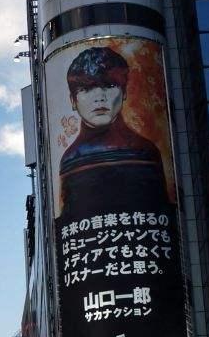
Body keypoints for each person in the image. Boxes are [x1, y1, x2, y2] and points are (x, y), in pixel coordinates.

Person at [57, 46, 171, 213]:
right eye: (87, 89)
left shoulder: (146, 151)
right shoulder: (146, 150)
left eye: (109, 85)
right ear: (73, 100)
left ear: (124, 92)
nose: (99, 97)